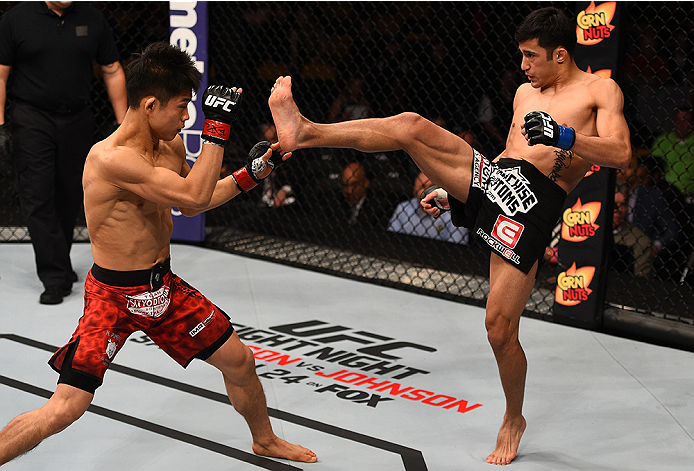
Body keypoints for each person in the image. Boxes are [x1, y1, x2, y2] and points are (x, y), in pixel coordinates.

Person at [266, 7, 631, 465]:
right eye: (521, 57)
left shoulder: (600, 90)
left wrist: (563, 135)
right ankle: (306, 131)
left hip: (535, 204)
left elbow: (619, 153)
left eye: (530, 57)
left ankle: (513, 418)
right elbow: (511, 152)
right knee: (410, 126)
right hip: (499, 180)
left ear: (560, 55)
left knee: (499, 329)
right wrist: (457, 190)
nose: (523, 67)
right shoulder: (523, 93)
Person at [0, 42, 316, 466]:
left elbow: (191, 203)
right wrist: (217, 126)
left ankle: (265, 439)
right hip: (112, 297)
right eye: (182, 106)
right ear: (150, 104)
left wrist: (251, 174)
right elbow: (195, 191)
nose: (187, 116)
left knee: (239, 361)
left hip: (163, 289)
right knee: (66, 407)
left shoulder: (168, 148)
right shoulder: (109, 159)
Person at [0, 1, 128, 304]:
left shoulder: (93, 19)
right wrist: (1, 125)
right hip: (30, 117)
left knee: (71, 193)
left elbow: (112, 70)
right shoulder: (15, 19)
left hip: (77, 118)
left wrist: (124, 125)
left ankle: (58, 259)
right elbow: (0, 75)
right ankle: (55, 275)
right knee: (37, 193)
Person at [387, 172, 469, 244]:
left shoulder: (454, 212)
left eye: (432, 186)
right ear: (415, 193)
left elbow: (457, 249)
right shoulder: (404, 208)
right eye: (423, 187)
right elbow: (391, 240)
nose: (428, 191)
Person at [651, 106, 694, 201]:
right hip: (663, 193)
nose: (681, 124)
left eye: (686, 121)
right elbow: (652, 167)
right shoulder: (663, 141)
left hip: (689, 196)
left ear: (692, 123)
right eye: (678, 120)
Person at [612, 187, 653, 277]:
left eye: (623, 204)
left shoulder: (641, 242)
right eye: (614, 204)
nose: (619, 209)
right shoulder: (583, 231)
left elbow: (640, 283)